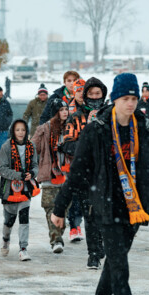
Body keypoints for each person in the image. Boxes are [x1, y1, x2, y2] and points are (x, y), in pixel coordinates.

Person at [51, 73, 149, 295]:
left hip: (135, 207)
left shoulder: (145, 127)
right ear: (115, 99)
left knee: (114, 261)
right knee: (120, 265)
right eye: (126, 99)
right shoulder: (99, 128)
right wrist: (59, 207)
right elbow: (78, 172)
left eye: (134, 99)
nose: (131, 104)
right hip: (107, 205)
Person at [61, 77, 107, 268]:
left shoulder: (110, 114)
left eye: (98, 94)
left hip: (107, 173)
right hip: (84, 173)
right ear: (85, 96)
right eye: (91, 94)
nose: (95, 97)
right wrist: (86, 142)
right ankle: (93, 254)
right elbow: (67, 144)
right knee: (89, 215)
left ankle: (102, 244)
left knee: (105, 214)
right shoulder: (75, 117)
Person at [0, 119, 39, 261]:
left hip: (26, 189)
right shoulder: (6, 147)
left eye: (23, 129)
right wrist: (18, 175)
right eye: (17, 130)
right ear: (13, 131)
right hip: (9, 189)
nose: (21, 132)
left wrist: (32, 173)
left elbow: (35, 165)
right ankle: (5, 238)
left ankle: (23, 248)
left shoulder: (31, 146)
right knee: (9, 219)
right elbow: (1, 168)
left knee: (24, 217)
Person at [32, 99, 69, 254]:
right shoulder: (45, 129)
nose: (65, 112)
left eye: (66, 109)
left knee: (64, 210)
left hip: (67, 175)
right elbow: (33, 148)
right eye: (61, 109)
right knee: (50, 208)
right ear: (55, 112)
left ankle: (58, 233)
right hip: (49, 174)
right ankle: (56, 240)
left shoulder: (71, 128)